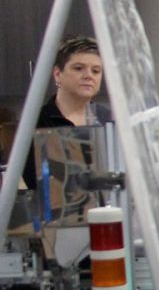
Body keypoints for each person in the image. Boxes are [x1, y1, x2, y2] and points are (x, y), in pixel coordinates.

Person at [19, 36, 108, 192]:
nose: (89, 75)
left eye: (96, 71)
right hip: (53, 212)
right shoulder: (36, 122)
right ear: (57, 74)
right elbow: (31, 182)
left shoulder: (109, 120)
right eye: (78, 68)